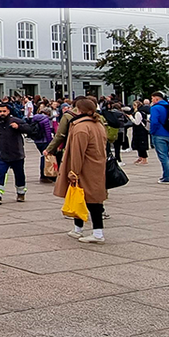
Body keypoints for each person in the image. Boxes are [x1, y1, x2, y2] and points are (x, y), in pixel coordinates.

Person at [59, 97, 110, 242]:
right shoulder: (98, 124)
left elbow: (77, 152)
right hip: (97, 165)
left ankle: (97, 233)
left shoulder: (81, 127)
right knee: (84, 198)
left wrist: (73, 171)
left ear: (79, 110)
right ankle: (78, 229)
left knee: (90, 200)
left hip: (85, 167)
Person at [0, 101, 37, 203]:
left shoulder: (16, 121)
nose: (2, 113)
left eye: (4, 111)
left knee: (19, 174)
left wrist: (19, 127)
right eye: (0, 111)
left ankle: (21, 192)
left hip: (16, 153)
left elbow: (29, 129)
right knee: (0, 173)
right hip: (2, 154)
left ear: (8, 111)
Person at [147, 91, 169, 184]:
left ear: (156, 99)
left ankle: (168, 177)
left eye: (152, 98)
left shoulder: (155, 108)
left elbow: (154, 121)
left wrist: (152, 132)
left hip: (159, 133)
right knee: (166, 155)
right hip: (168, 133)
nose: (152, 100)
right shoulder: (167, 106)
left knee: (162, 156)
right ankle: (166, 175)